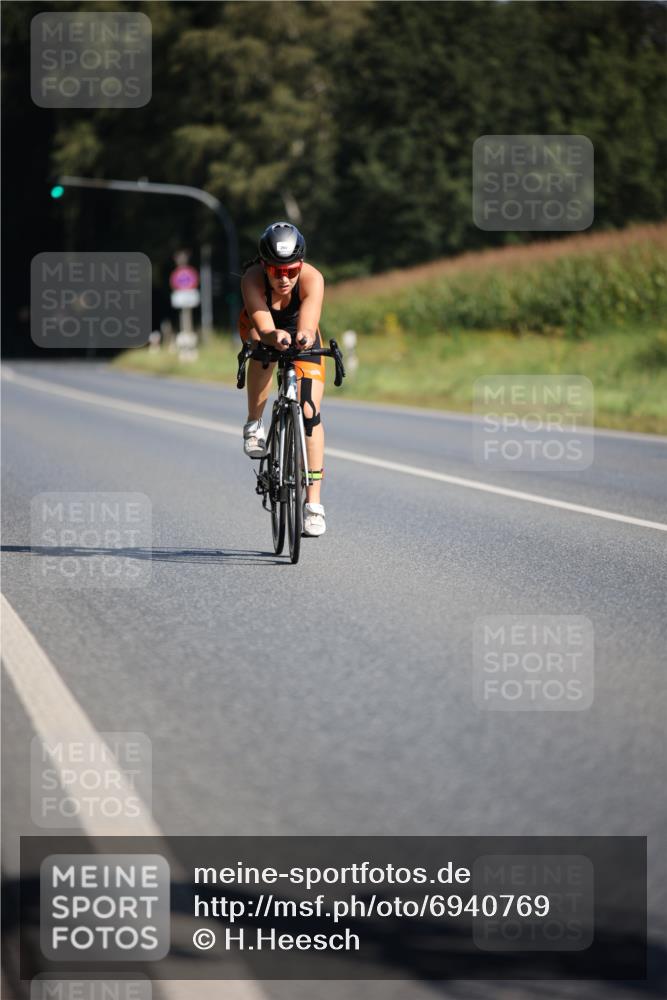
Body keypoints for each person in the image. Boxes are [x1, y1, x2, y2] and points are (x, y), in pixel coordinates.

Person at [238, 222, 327, 537]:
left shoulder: (313, 278)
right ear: (264, 265)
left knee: (308, 413)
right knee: (262, 349)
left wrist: (302, 337)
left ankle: (313, 505)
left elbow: (308, 320)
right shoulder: (252, 279)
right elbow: (263, 324)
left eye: (291, 271)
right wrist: (273, 336)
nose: (284, 278)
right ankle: (254, 423)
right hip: (262, 329)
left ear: (300, 265)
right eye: (277, 271)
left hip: (301, 335)